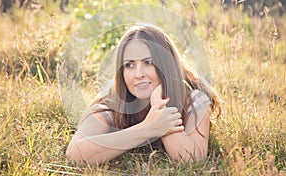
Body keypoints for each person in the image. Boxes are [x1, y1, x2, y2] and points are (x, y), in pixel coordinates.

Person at [66, 25, 221, 165]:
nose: (138, 74)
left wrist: (162, 110)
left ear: (166, 64)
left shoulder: (194, 98)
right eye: (129, 65)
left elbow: (192, 159)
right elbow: (75, 153)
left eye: (148, 62)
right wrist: (147, 129)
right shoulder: (111, 105)